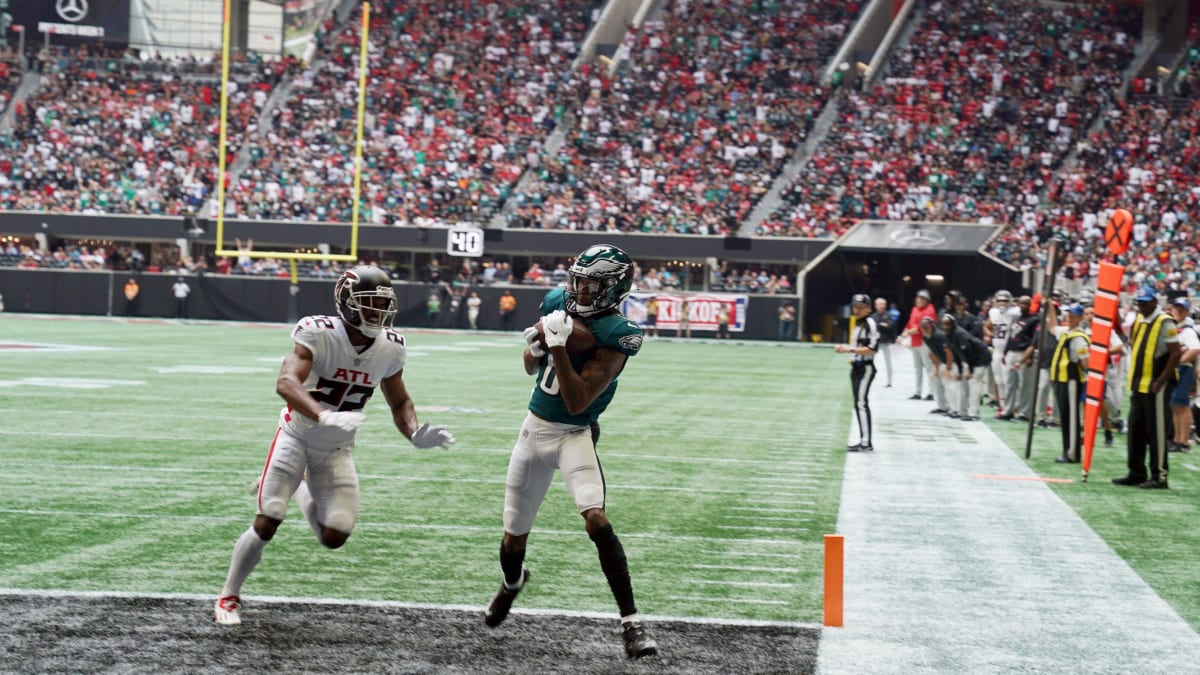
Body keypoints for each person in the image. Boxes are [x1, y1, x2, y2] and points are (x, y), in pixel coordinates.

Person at [214, 266, 455, 625]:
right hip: (296, 435)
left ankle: (304, 485)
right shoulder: (318, 332)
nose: (378, 313)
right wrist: (323, 416)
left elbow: (399, 401)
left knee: (334, 536)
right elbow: (286, 382)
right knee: (268, 520)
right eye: (369, 304)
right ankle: (229, 596)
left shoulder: (391, 347)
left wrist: (414, 433)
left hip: (337, 448)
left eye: (382, 305)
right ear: (346, 303)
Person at [484, 244, 657, 660]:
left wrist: (559, 347)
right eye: (578, 280)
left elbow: (578, 400)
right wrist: (538, 348)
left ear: (613, 288)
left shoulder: (620, 335)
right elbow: (529, 365)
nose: (579, 290)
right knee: (512, 538)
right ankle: (512, 584)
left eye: (591, 283)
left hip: (574, 433)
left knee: (596, 518)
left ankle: (631, 623)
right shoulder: (557, 302)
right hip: (533, 431)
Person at [1113, 287, 1182, 490]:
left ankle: (1160, 476)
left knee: (1156, 432)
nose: (1142, 305)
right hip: (1139, 384)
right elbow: (1130, 342)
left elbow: (1175, 354)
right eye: (1139, 302)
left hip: (1157, 385)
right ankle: (1136, 472)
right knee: (1135, 429)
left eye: (1146, 302)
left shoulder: (1165, 321)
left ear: (1154, 301)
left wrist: (1161, 380)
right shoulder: (1139, 320)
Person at [836, 294, 879, 451]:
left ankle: (866, 443)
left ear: (868, 308)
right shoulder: (859, 323)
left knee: (861, 403)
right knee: (858, 403)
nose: (857, 309)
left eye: (860, 307)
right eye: (855, 307)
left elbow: (873, 350)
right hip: (856, 366)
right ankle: (864, 440)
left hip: (865, 367)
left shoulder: (870, 324)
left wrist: (849, 349)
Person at [1049, 304, 1090, 463]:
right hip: (1061, 379)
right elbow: (1052, 327)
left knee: (1071, 418)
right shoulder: (1066, 332)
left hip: (1071, 380)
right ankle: (1068, 450)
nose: (1069, 318)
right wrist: (1050, 307)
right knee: (1065, 417)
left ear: (1080, 318)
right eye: (1068, 315)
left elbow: (1085, 363)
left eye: (1073, 315)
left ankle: (1072, 453)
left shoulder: (1078, 337)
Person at [940, 313, 991, 421]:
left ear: (953, 324)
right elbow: (957, 354)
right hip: (970, 360)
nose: (945, 327)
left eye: (948, 324)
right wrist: (959, 370)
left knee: (974, 386)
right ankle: (964, 411)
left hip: (980, 358)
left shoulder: (960, 334)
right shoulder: (949, 335)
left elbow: (969, 353)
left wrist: (971, 371)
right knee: (965, 387)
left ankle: (974, 414)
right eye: (943, 325)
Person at [1167, 298, 1199, 453]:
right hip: (1178, 370)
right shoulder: (1176, 327)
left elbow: (1195, 349)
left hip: (1184, 370)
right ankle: (1177, 440)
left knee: (1182, 405)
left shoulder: (1187, 330)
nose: (1178, 311)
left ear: (1186, 312)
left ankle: (1184, 441)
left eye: (1181, 309)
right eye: (1176, 308)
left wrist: (1179, 361)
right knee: (1175, 405)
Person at [985, 290, 1021, 413]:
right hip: (997, 350)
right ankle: (1002, 405)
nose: (1002, 303)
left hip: (1008, 350)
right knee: (998, 379)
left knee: (1007, 380)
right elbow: (986, 325)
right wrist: (990, 335)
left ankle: (1012, 406)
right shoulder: (993, 312)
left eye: (1005, 301)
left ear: (1010, 301)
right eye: (999, 300)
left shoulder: (1014, 312)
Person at [900, 290, 937, 400]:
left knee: (929, 367)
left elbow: (923, 327)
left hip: (926, 342)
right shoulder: (914, 309)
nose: (918, 300)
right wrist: (903, 332)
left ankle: (932, 392)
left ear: (926, 300)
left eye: (921, 299)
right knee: (917, 368)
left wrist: (908, 332)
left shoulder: (930, 310)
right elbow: (910, 323)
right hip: (915, 342)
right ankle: (918, 391)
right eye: (917, 298)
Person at [920, 317, 951, 415]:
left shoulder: (940, 336)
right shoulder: (926, 337)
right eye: (923, 327)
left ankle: (953, 408)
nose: (925, 329)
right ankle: (942, 407)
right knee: (937, 383)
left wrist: (948, 367)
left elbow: (949, 351)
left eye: (927, 327)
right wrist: (937, 369)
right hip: (941, 362)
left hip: (951, 361)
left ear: (932, 326)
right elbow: (932, 353)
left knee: (949, 385)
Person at [869, 297, 896, 387]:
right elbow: (871, 327)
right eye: (879, 304)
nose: (881, 306)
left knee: (888, 362)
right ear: (876, 305)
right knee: (870, 360)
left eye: (883, 304)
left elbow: (891, 326)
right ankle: (869, 377)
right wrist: (882, 325)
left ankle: (889, 381)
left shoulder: (888, 315)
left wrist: (880, 325)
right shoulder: (872, 316)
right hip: (875, 342)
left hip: (886, 342)